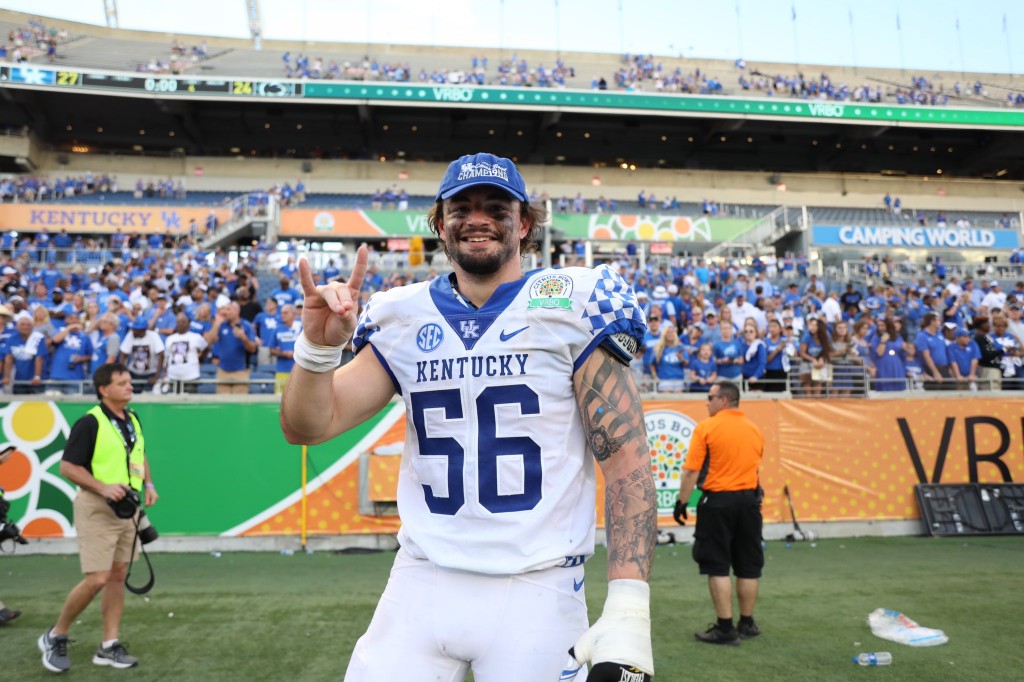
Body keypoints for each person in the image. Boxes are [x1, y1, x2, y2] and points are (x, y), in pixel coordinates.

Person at [279, 153, 656, 681]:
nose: (477, 217)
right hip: (421, 580)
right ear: (440, 223)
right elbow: (308, 426)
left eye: (495, 206)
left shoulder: (572, 304)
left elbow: (627, 461)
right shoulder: (400, 315)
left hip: (537, 586)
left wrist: (628, 609)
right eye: (461, 207)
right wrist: (316, 351)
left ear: (523, 222)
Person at [39, 363, 158, 673]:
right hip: (97, 508)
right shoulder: (89, 422)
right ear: (104, 389)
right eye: (122, 383)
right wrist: (104, 487)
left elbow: (138, 453)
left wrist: (149, 485)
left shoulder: (131, 418)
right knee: (98, 578)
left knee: (118, 576)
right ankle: (56, 635)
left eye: (130, 381)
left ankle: (108, 645)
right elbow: (68, 468)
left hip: (127, 510)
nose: (130, 387)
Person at [676, 380, 765, 646]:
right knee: (748, 566)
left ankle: (725, 628)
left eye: (710, 397)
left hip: (717, 503)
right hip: (750, 503)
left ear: (723, 400)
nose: (706, 402)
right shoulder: (754, 429)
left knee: (717, 564)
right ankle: (747, 622)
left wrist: (682, 502)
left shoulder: (707, 428)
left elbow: (691, 471)